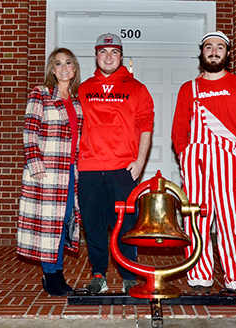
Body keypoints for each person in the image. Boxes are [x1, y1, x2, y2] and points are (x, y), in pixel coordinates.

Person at [171, 31, 236, 299]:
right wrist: (185, 157)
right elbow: (179, 130)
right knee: (196, 222)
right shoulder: (188, 88)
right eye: (209, 46)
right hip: (196, 164)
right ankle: (199, 277)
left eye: (220, 47)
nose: (214, 51)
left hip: (230, 161)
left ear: (228, 54)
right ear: (202, 52)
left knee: (234, 223)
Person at [78, 33, 154, 294]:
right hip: (89, 168)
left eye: (114, 52)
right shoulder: (84, 88)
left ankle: (129, 275)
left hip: (122, 169)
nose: (108, 57)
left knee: (126, 227)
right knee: (94, 226)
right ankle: (99, 275)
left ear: (121, 56)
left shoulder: (137, 88)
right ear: (96, 55)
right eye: (103, 51)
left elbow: (146, 125)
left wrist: (140, 160)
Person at [17, 48, 83, 296]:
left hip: (70, 173)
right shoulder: (40, 94)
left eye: (68, 63)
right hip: (45, 174)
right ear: (52, 70)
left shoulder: (77, 100)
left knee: (64, 222)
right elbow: (29, 132)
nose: (63, 67)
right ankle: (51, 274)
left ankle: (56, 271)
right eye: (58, 63)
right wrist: (36, 166)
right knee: (48, 226)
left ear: (74, 69)